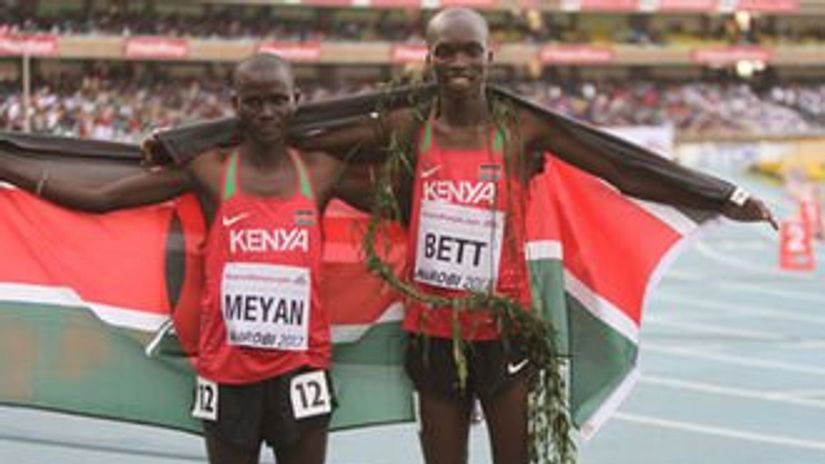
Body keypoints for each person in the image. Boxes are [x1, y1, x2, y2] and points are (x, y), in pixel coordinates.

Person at [0, 54, 365, 464]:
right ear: (235, 104)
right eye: (254, 101)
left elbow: (403, 194)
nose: (267, 113)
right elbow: (103, 198)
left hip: (303, 369)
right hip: (228, 372)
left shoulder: (319, 172)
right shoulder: (210, 170)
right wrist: (10, 168)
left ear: (296, 100)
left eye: (278, 100)